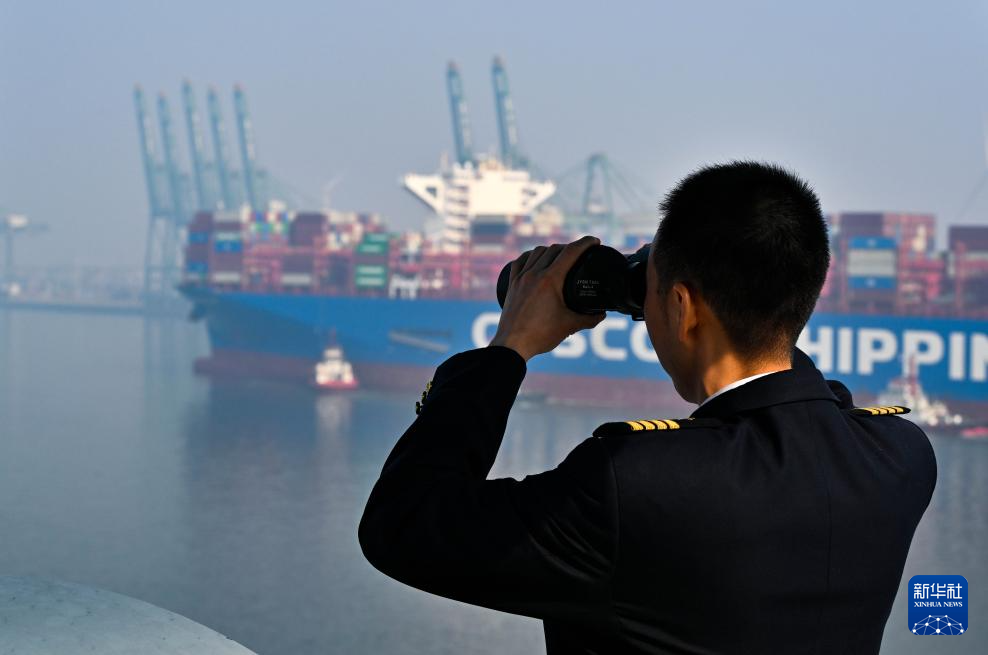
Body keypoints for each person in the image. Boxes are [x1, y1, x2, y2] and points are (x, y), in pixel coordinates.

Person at [358, 161, 937, 654]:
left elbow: (402, 526)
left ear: (683, 308)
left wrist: (508, 349)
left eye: (649, 292)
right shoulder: (900, 457)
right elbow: (810, 406)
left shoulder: (629, 485)